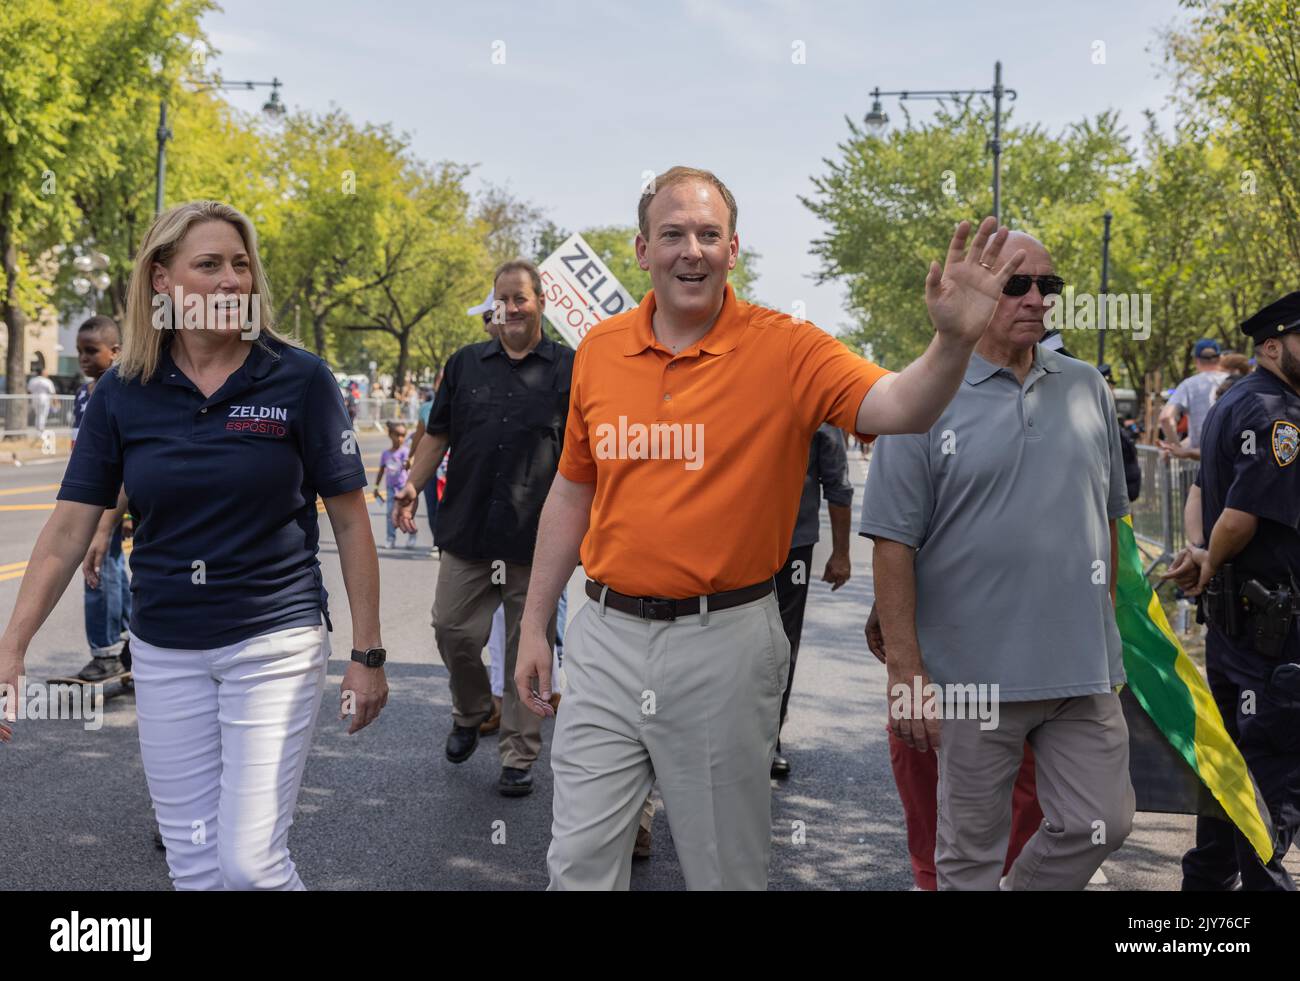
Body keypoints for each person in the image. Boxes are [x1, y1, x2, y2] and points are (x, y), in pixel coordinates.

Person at [515, 164, 1028, 891]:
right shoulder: (598, 349)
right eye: (672, 234)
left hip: (723, 645)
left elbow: (899, 407)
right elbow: (573, 488)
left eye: (707, 235)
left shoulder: (788, 347)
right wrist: (538, 622)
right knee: (576, 867)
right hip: (603, 638)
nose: (690, 250)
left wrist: (949, 343)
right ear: (640, 249)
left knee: (725, 871)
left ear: (733, 250)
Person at [0, 200, 388, 890]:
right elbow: (65, 528)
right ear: (161, 279)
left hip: (274, 639)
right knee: (197, 869)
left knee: (251, 862)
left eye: (241, 265)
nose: (230, 280)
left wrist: (367, 654)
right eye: (207, 265)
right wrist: (12, 647)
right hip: (164, 649)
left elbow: (352, 521)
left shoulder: (300, 378)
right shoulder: (124, 391)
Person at [861, 232, 1135, 891]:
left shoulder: (1086, 387)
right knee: (969, 856)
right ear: (975, 289)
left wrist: (1107, 629)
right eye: (1018, 284)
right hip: (972, 678)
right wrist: (907, 671)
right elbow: (893, 541)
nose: (1037, 299)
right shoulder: (920, 395)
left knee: (1104, 819)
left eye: (1049, 286)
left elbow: (1108, 519)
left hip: (1081, 671)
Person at [394, 260, 573, 798]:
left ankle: (519, 755)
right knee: (451, 628)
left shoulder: (571, 368)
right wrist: (409, 484)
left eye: (521, 298)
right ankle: (471, 709)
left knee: (528, 650)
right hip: (468, 530)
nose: (511, 308)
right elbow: (437, 435)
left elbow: (588, 455)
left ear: (540, 301)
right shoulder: (465, 363)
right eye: (503, 299)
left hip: (536, 539)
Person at [1164, 291, 1300, 891]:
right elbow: (1241, 517)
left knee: (1227, 779)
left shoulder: (1234, 401)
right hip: (1272, 636)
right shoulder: (1279, 413)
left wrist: (1202, 557)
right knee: (1271, 786)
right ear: (1273, 345)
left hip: (1235, 629)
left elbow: (1203, 495)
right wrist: (1212, 559)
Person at [770, 422, 854, 779]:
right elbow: (838, 484)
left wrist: (842, 552)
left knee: (781, 643)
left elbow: (837, 485)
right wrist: (840, 553)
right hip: (735, 542)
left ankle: (768, 737)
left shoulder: (818, 400)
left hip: (792, 546)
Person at [67, 316, 134, 682]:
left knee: (98, 569)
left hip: (115, 500)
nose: (83, 358)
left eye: (92, 351)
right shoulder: (82, 394)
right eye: (79, 351)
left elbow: (125, 455)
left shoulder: (122, 390)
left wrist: (122, 513)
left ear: (116, 352)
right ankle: (124, 643)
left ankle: (109, 651)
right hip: (88, 499)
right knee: (108, 568)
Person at [1159, 338, 1229, 459]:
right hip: (1234, 461)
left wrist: (1178, 449)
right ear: (1220, 359)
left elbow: (1165, 417)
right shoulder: (1234, 381)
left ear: (1196, 361)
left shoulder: (1189, 385)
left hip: (1203, 463)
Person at [1100, 363, 1141, 502]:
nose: (1113, 392)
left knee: (1126, 522)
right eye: (1110, 387)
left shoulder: (1109, 415)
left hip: (1123, 493)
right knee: (1122, 522)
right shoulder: (1100, 417)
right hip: (1113, 496)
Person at [375, 421, 418, 549]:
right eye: (397, 435)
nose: (400, 438)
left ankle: (412, 535)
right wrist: (376, 488)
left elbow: (410, 463)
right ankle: (390, 538)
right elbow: (381, 470)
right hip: (391, 488)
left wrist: (408, 463)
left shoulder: (405, 452)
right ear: (390, 435)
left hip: (403, 488)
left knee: (407, 513)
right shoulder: (386, 454)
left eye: (403, 435)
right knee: (389, 513)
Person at [27, 366, 56, 433]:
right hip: (44, 399)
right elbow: (52, 392)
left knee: (38, 414)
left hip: (34, 398)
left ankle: (38, 429)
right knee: (43, 414)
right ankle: (41, 430)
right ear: (42, 372)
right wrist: (55, 401)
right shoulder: (47, 381)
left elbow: (29, 391)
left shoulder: (32, 380)